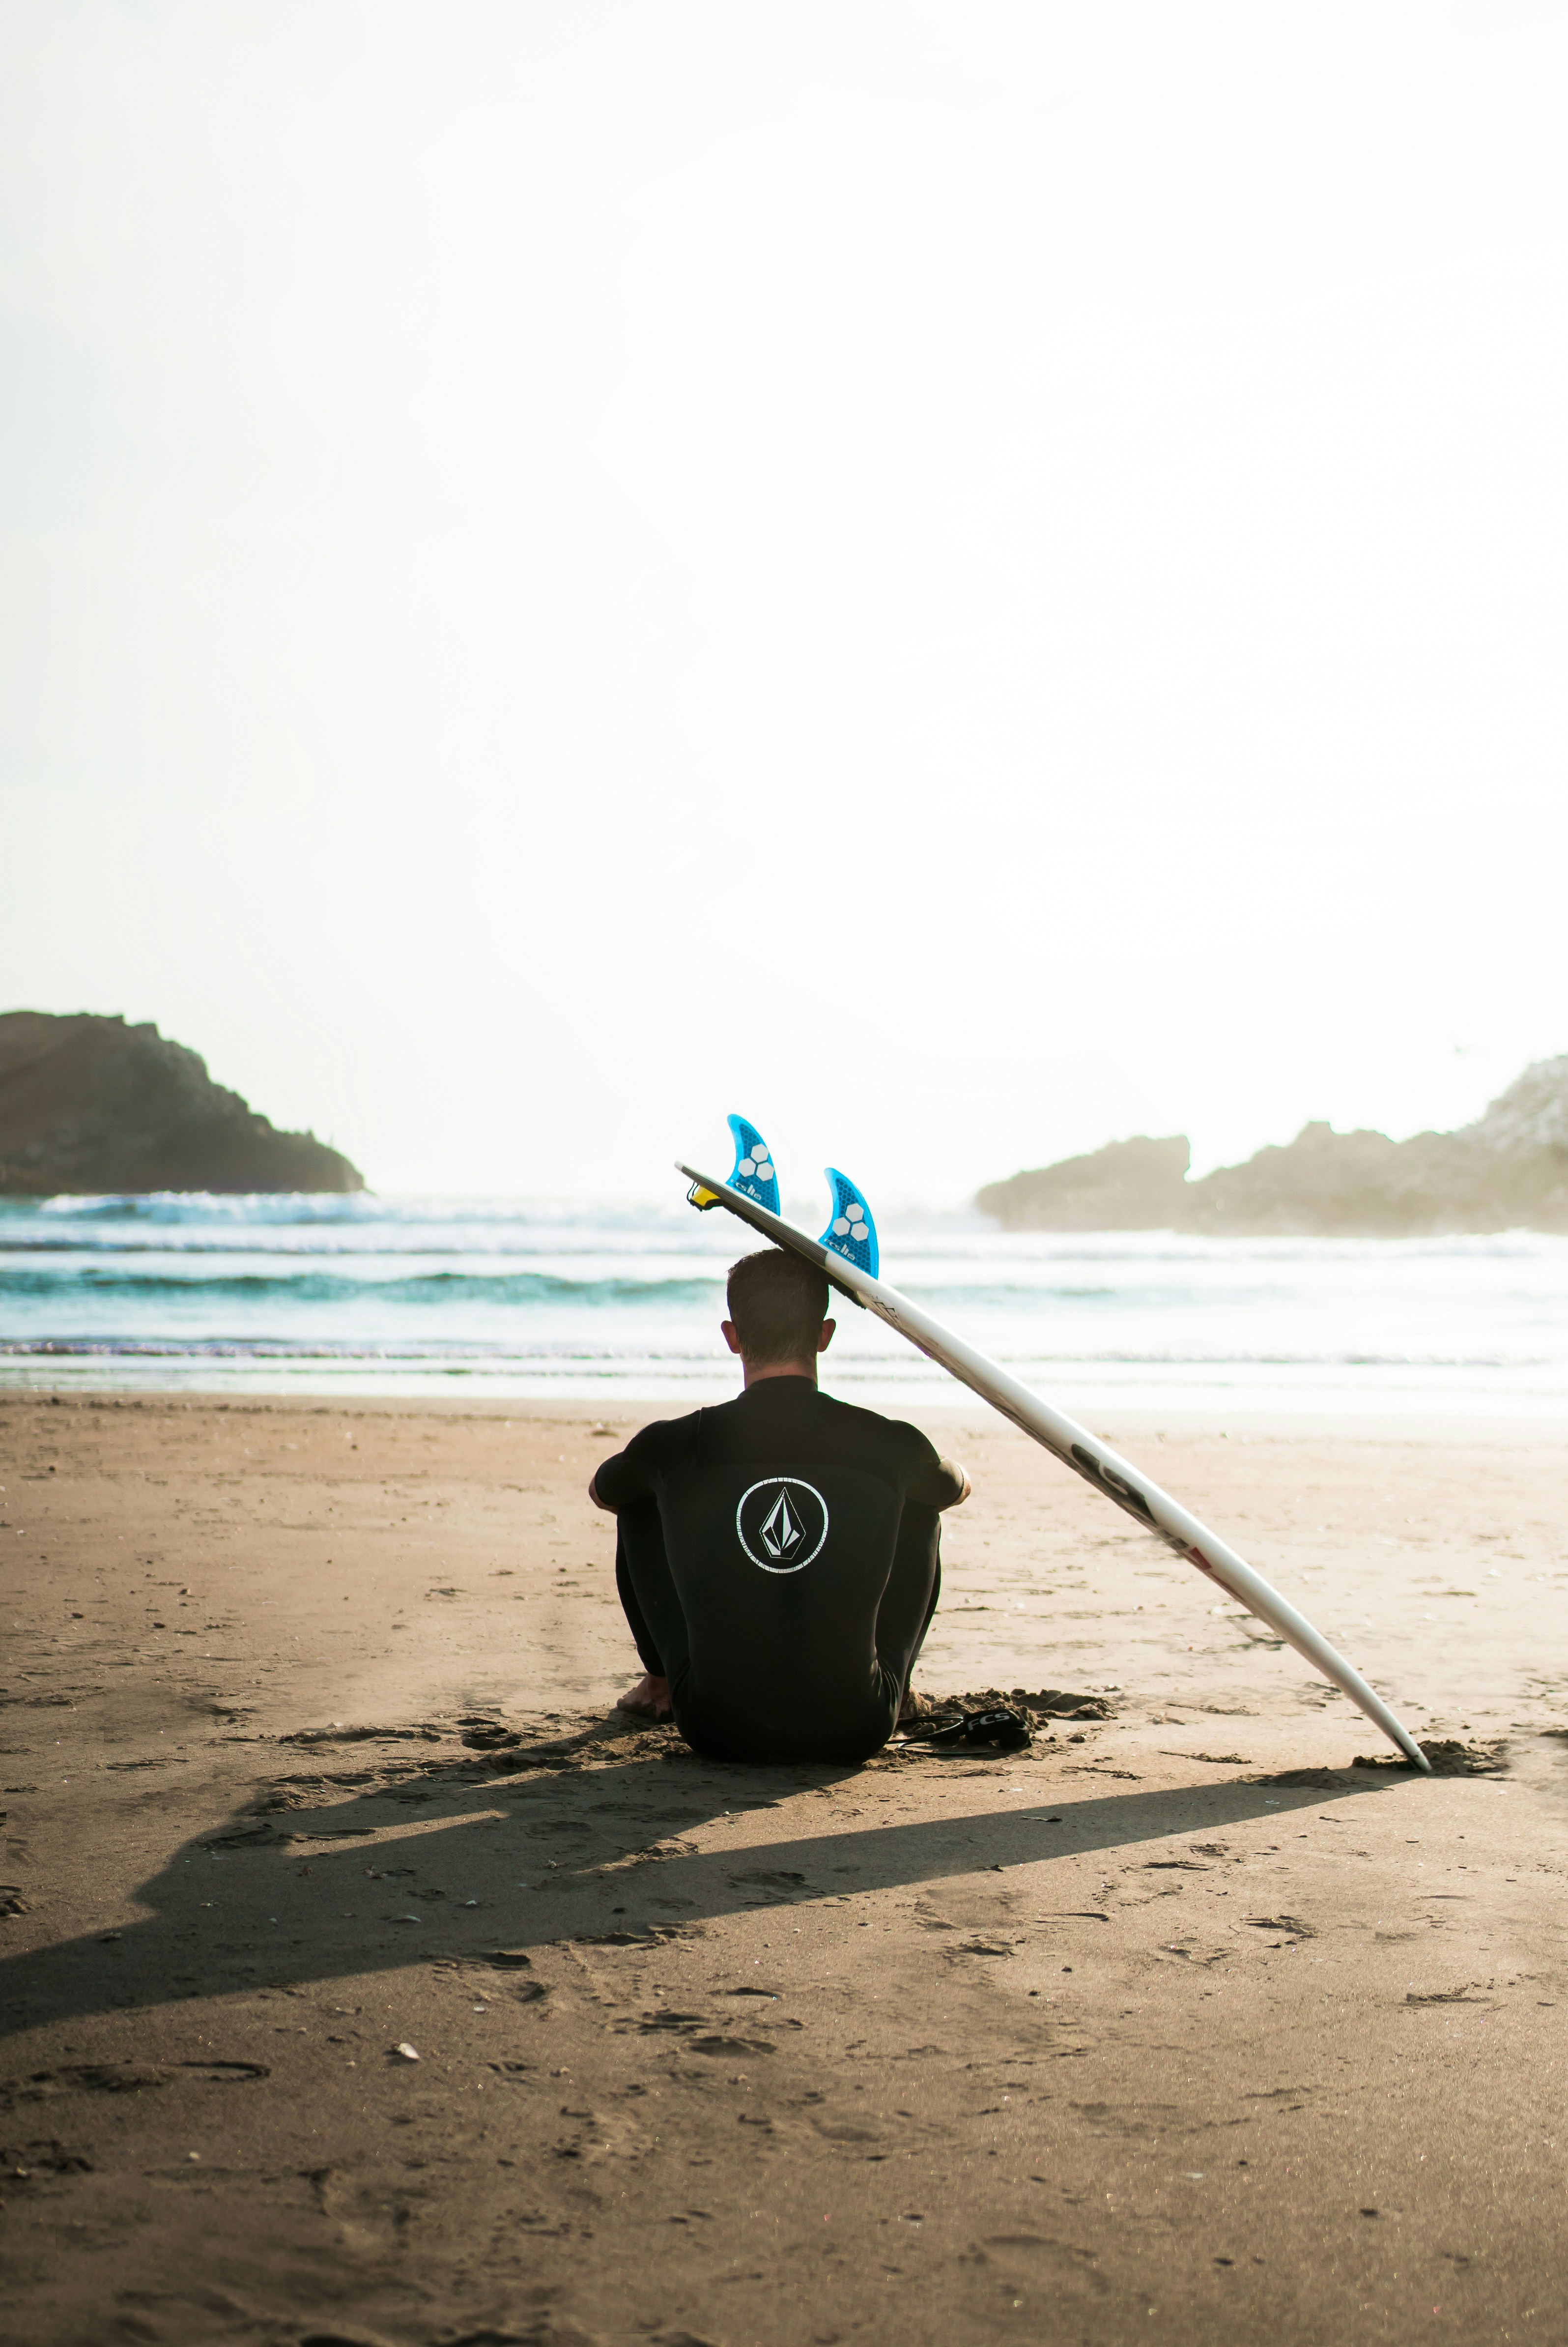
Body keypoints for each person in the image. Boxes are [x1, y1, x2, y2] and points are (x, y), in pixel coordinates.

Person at [588, 1246, 970, 1764]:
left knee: (641, 1496)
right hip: (856, 1725)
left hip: (715, 1725)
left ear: (732, 1336)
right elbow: (953, 1488)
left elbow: (603, 1491)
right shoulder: (887, 1442)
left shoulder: (679, 1443)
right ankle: (895, 1689)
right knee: (918, 1501)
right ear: (824, 1335)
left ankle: (660, 1683)